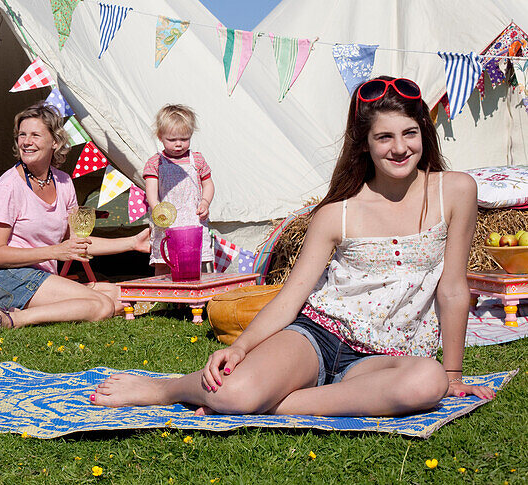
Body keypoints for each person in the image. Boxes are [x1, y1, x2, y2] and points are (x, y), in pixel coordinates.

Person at [92, 76, 495, 414]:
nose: (400, 147)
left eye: (409, 133)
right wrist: (243, 347)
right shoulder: (337, 213)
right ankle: (170, 389)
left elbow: (453, 287)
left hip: (389, 358)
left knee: (427, 382)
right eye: (384, 137)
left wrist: (452, 375)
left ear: (423, 132)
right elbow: (292, 297)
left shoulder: (455, 191)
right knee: (233, 390)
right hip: (318, 335)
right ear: (365, 143)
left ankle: (272, 401)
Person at [0, 103, 151, 331]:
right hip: (5, 277)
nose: (26, 142)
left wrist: (131, 243)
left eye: (35, 135)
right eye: (22, 135)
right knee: (102, 306)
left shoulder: (63, 182)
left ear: (55, 142)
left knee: (121, 297)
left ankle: (26, 311)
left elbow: (78, 242)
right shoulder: (8, 187)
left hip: (42, 277)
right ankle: (12, 320)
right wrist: (54, 251)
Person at [144, 105, 214, 275]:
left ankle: (195, 299)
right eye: (172, 139)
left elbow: (208, 184)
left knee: (195, 262)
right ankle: (162, 298)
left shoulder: (196, 159)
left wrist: (205, 201)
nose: (178, 144)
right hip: (167, 221)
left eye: (184, 139)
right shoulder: (156, 162)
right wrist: (157, 208)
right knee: (163, 262)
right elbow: (151, 191)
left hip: (192, 219)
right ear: (160, 137)